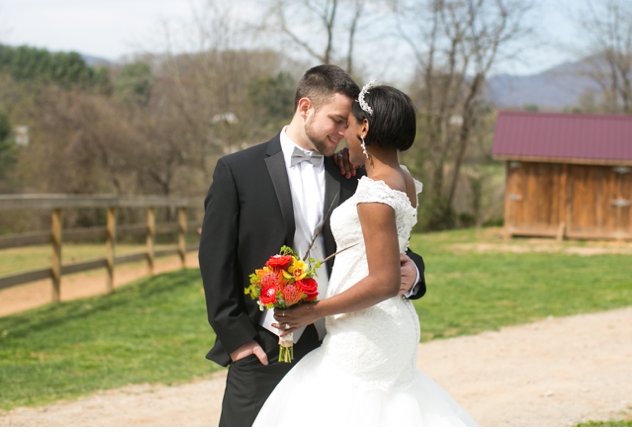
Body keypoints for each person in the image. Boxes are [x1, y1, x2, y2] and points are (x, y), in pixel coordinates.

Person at [199, 65, 427, 427]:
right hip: (267, 343)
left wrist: (413, 270)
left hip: (341, 339)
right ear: (305, 107)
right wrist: (238, 341)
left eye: (349, 123)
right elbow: (215, 260)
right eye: (337, 120)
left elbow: (390, 240)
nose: (343, 131)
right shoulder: (237, 171)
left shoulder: (357, 174)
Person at [252, 81, 477, 427]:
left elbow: (385, 281)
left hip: (366, 330)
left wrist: (313, 311)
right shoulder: (403, 179)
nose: (344, 134)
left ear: (366, 128)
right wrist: (358, 159)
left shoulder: (375, 194)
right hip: (392, 324)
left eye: (350, 125)